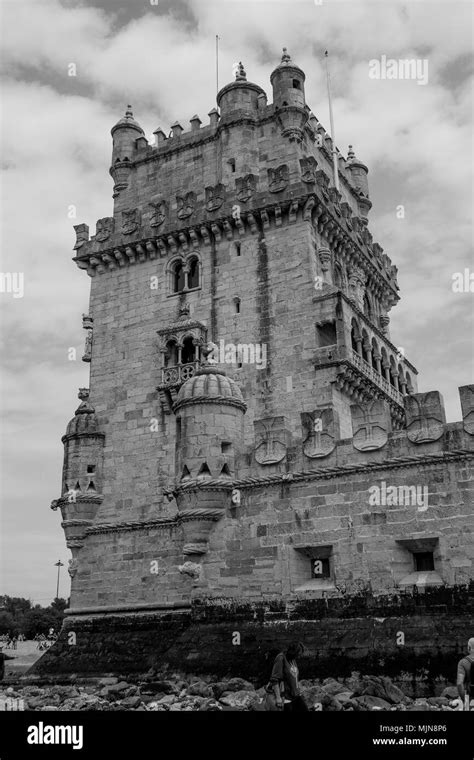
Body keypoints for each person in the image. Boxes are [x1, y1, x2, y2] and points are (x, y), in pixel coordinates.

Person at [264, 642, 308, 711]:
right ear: (293, 652)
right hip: (285, 696)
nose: (299, 656)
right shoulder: (281, 658)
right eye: (298, 654)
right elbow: (275, 679)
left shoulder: (293, 660)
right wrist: (278, 698)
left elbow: (294, 676)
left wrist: (298, 689)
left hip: (295, 695)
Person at [457, 637, 474, 711]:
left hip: (471, 697)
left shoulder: (463, 662)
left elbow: (459, 683)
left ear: (469, 647)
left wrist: (464, 700)